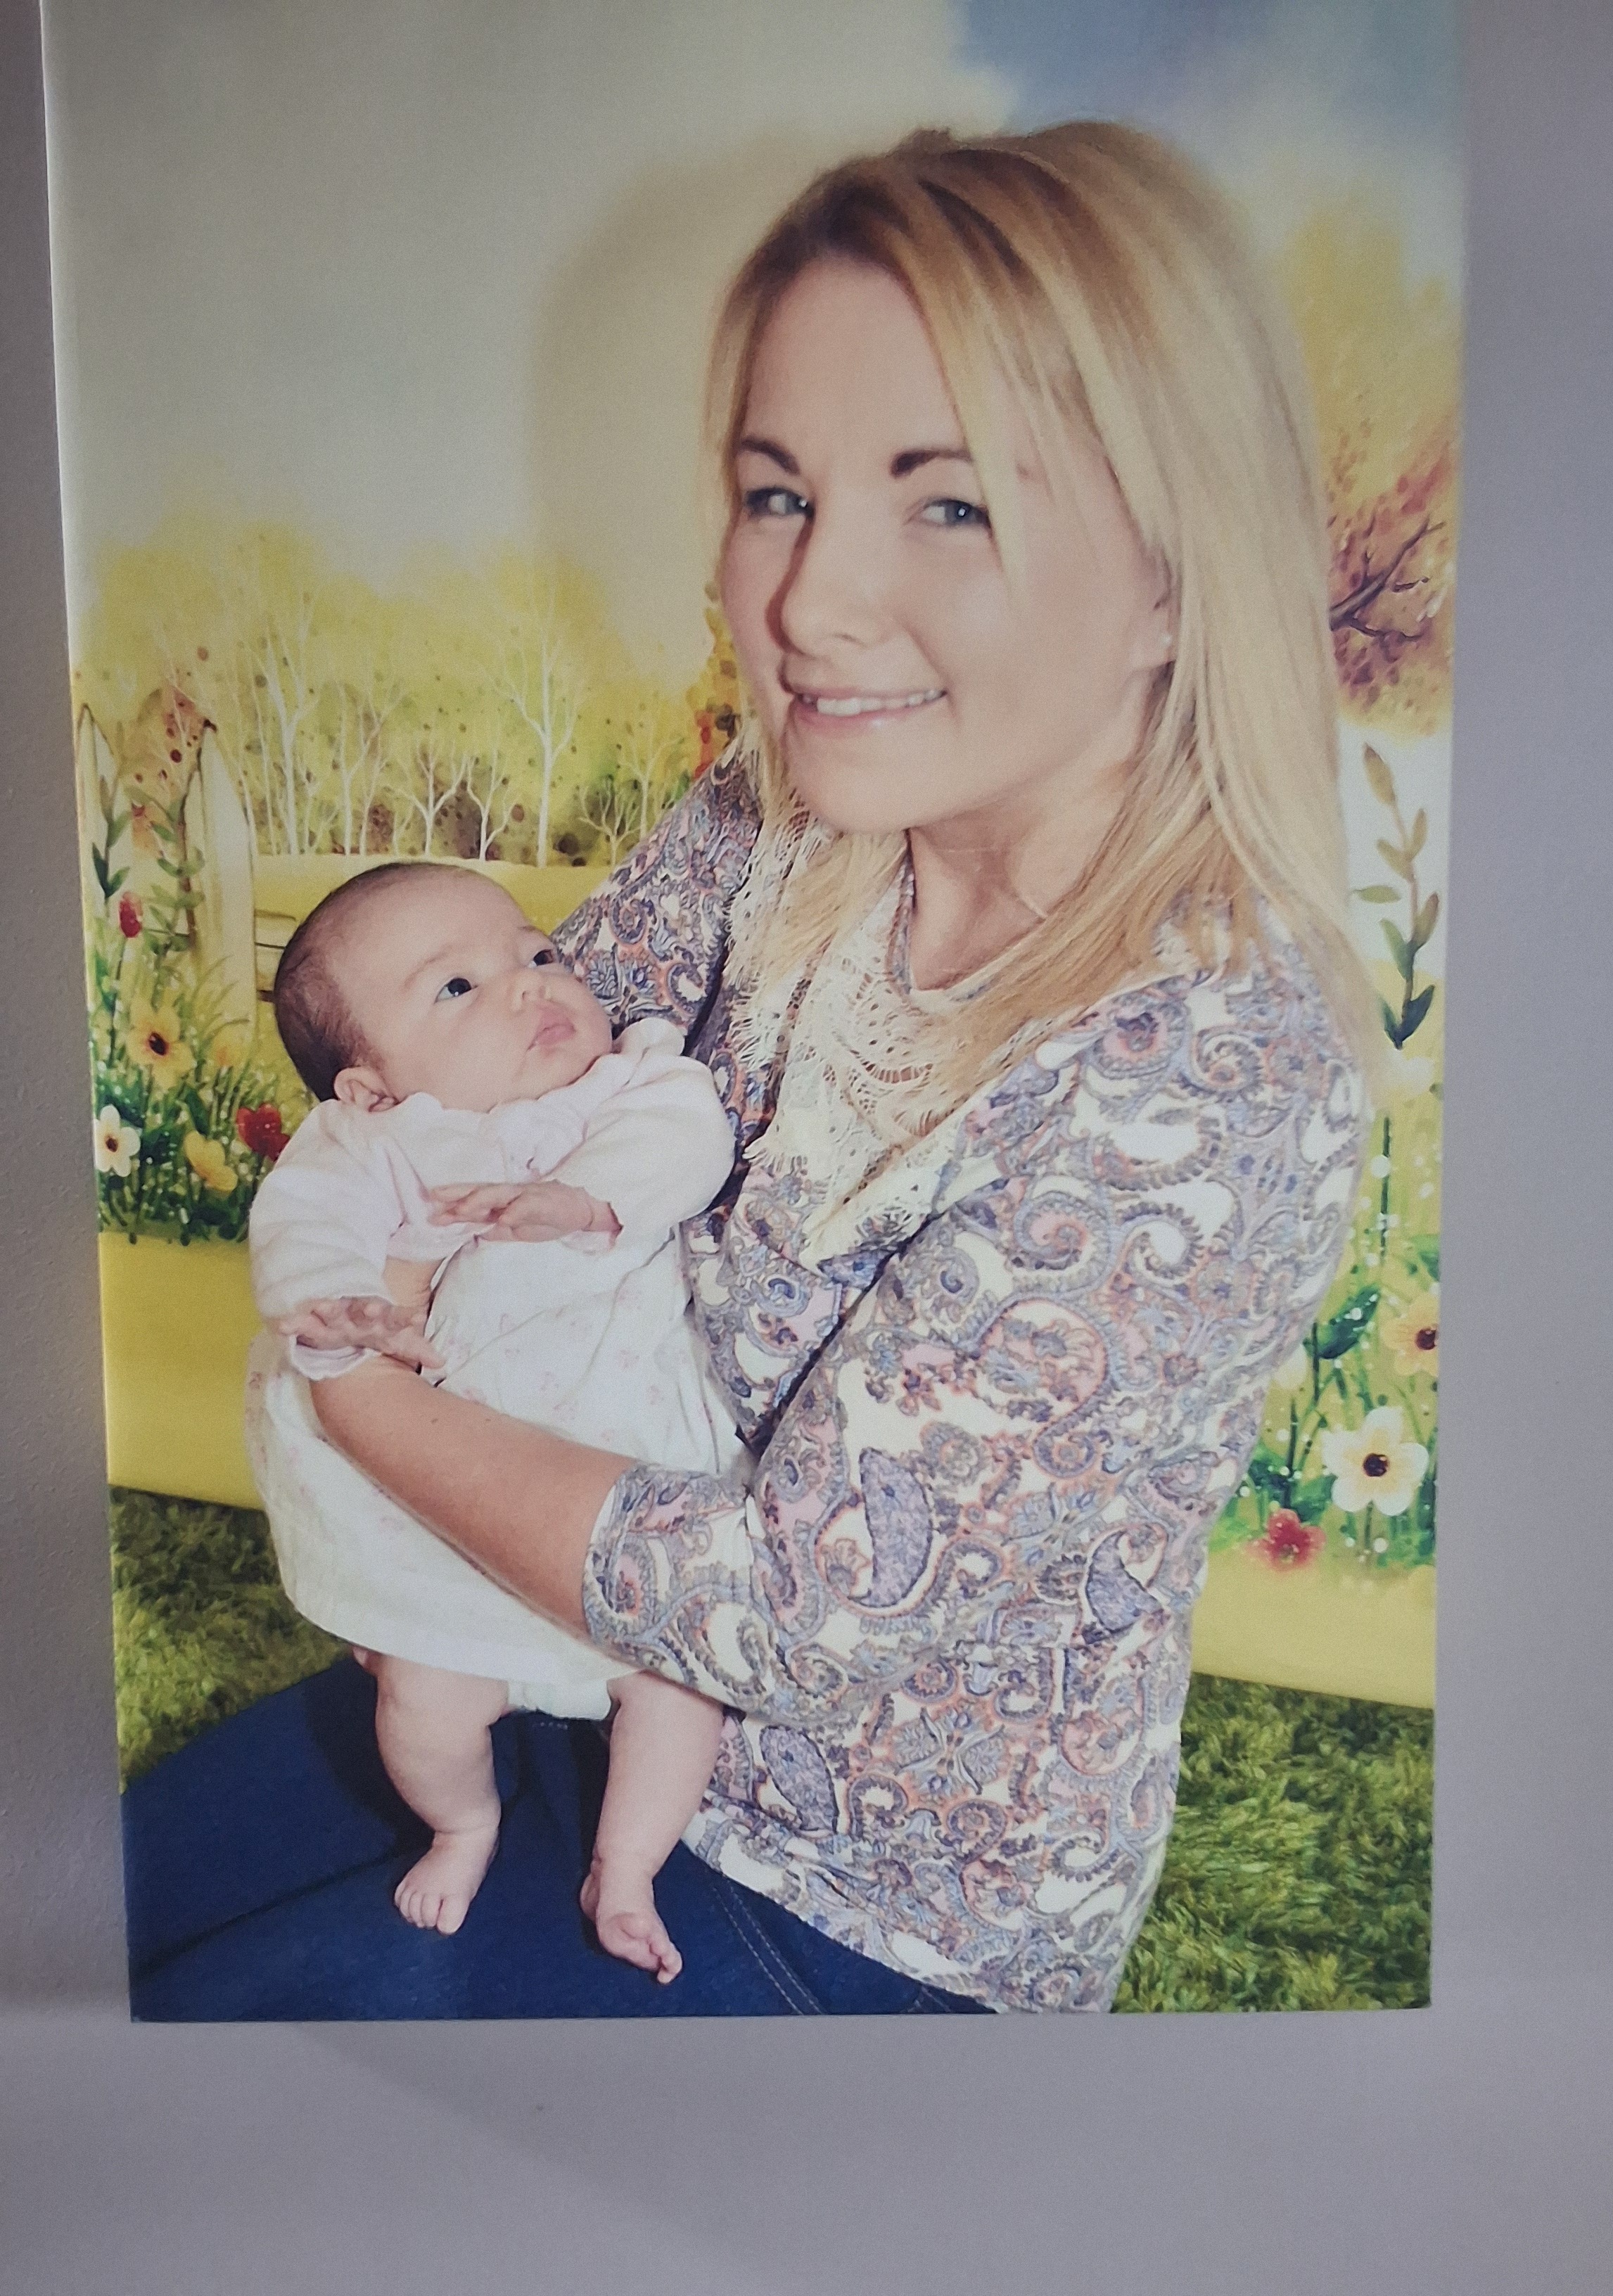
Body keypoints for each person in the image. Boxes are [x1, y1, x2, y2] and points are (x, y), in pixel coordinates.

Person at [127, 120, 1370, 2019]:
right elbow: (482, 1064)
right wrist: (374, 1266)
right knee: (88, 1906)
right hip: (546, 1643)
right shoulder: (782, 810)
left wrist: (350, 1395)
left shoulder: (1216, 1071)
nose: (806, 603)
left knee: (219, 2055)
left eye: (950, 505)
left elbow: (783, 1611)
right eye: (776, 492)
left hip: (857, 1892)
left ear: (1173, 581)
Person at [246, 862, 741, 1975]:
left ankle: (625, 1866)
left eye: (537, 952)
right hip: (451, 1523)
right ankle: (463, 1825)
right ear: (372, 1088)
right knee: (423, 1702)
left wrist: (587, 1199)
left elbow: (687, 1133)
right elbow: (307, 1225)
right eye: (458, 988)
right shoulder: (377, 1146)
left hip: (616, 1473)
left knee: (678, 1688)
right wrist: (341, 1303)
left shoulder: (625, 1084)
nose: (530, 984)